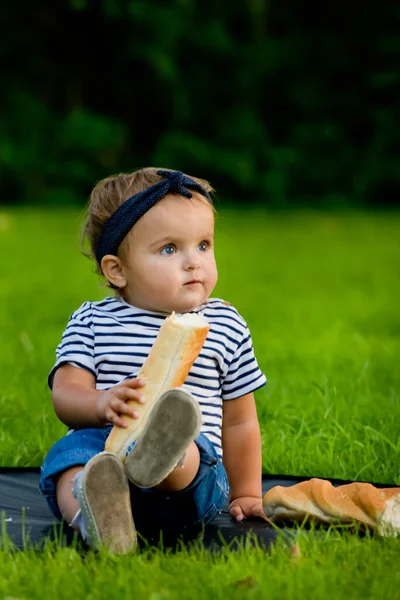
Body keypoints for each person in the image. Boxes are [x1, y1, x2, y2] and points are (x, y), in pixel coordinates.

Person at [39, 168, 267, 554]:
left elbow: (241, 419)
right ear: (118, 270)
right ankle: (95, 519)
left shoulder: (225, 323)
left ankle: (154, 460)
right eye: (169, 249)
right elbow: (66, 394)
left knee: (187, 443)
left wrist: (246, 493)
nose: (193, 262)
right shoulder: (92, 320)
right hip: (106, 451)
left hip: (188, 482)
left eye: (204, 245)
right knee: (71, 459)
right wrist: (100, 403)